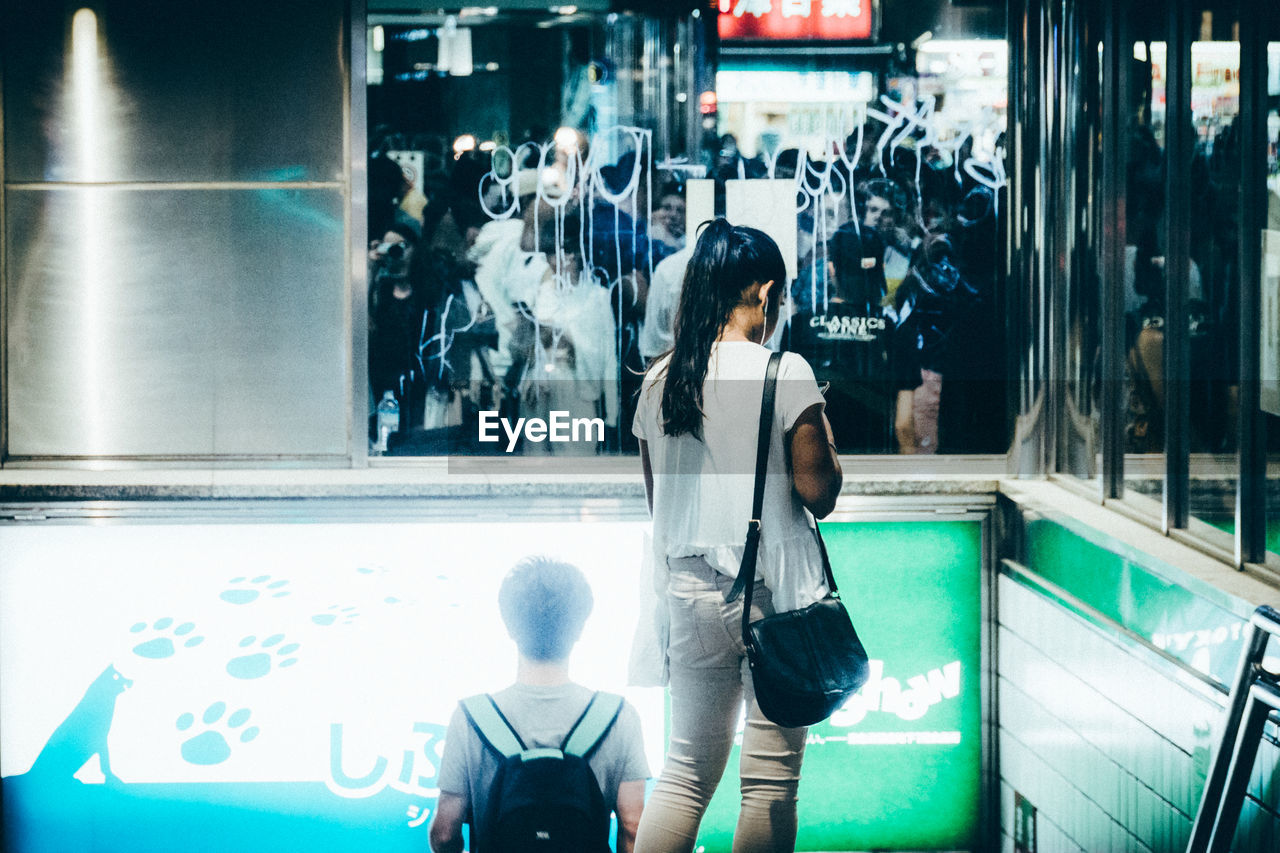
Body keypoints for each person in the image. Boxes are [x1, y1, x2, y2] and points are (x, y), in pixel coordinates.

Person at [631, 220, 843, 853]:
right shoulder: (786, 371)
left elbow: (658, 502)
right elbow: (818, 493)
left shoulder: (661, 378)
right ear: (766, 292)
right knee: (770, 782)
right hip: (773, 596)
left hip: (687, 592)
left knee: (686, 773)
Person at [430, 556, 649, 853]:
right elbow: (634, 826)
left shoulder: (470, 717)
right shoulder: (619, 715)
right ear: (579, 628)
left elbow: (445, 832)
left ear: (509, 627)